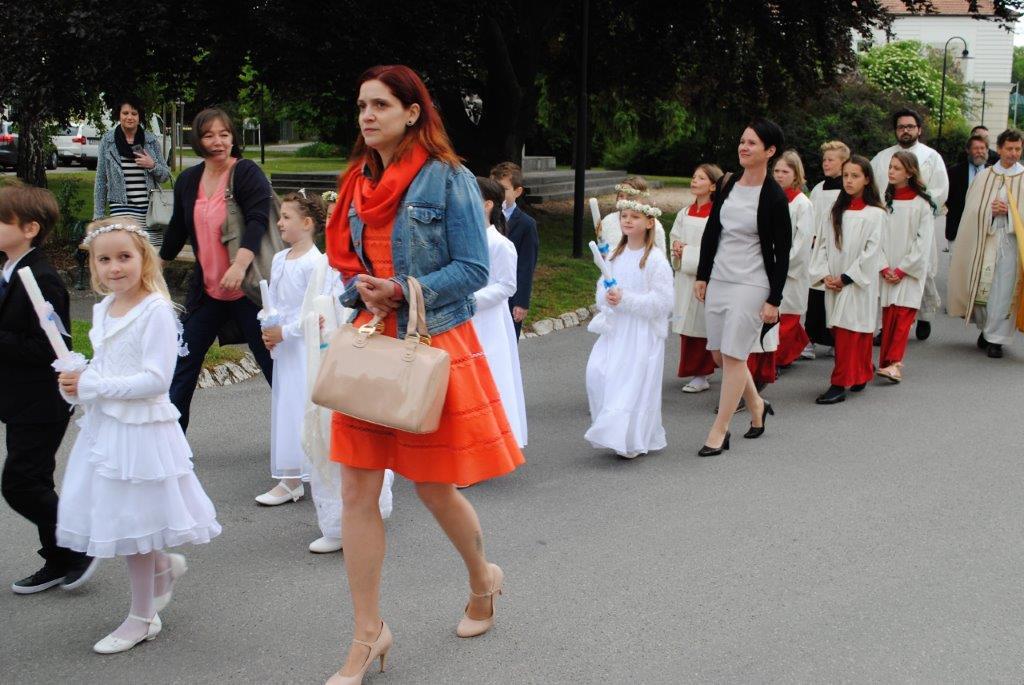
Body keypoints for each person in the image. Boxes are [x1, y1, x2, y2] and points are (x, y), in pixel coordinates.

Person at [324, 65, 524, 684]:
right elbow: (349, 264)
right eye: (362, 105)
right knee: (356, 493)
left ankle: (483, 579)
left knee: (435, 488)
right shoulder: (357, 181)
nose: (367, 115)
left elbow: (473, 269)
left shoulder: (449, 177)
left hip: (428, 341)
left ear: (412, 112)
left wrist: (403, 288)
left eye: (381, 105)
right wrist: (362, 289)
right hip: (370, 347)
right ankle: (368, 633)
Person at [56, 218, 221, 654]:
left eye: (124, 257)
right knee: (127, 519)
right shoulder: (103, 308)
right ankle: (161, 568)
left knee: (137, 526)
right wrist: (77, 382)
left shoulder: (157, 311)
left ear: (143, 259)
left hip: (143, 431)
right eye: (104, 259)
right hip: (108, 429)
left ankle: (142, 617)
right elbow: (105, 365)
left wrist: (93, 385)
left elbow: (155, 380)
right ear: (93, 264)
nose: (114, 267)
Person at [255, 190, 393, 551]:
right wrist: (288, 326)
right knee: (321, 432)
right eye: (332, 218)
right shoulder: (321, 263)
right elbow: (307, 309)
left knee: (354, 435)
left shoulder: (362, 262)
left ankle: (367, 508)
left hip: (351, 356)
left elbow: (365, 310)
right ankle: (334, 520)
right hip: (318, 355)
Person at [0, 185, 97, 594]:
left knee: (20, 484)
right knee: (35, 480)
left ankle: (79, 544)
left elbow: (50, 346)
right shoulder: (9, 268)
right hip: (18, 398)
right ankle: (58, 557)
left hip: (41, 400)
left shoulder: (42, 278)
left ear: (30, 229)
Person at [159, 108, 274, 431]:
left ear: (233, 137)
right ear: (198, 140)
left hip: (249, 291)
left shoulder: (246, 172)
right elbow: (177, 228)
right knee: (182, 366)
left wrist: (239, 265)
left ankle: (300, 444)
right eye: (209, 135)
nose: (218, 141)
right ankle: (170, 447)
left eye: (224, 134)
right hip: (207, 292)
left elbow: (258, 221)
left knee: (275, 368)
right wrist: (155, 267)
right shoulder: (189, 180)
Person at [694, 118, 791, 455]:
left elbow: (782, 252)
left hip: (752, 283)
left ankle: (719, 431)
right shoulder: (728, 184)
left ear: (770, 151)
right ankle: (757, 405)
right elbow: (712, 231)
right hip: (720, 278)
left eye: (752, 143)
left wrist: (774, 298)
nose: (744, 147)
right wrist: (703, 275)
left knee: (735, 355)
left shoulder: (774, 197)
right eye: (742, 141)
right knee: (720, 355)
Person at [585, 198, 673, 459]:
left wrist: (626, 299)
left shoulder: (655, 260)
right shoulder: (614, 255)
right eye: (624, 216)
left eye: (635, 217)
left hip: (641, 332)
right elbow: (602, 289)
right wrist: (608, 297)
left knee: (631, 384)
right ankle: (611, 430)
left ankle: (629, 438)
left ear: (649, 223)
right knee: (598, 373)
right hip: (616, 328)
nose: (627, 220)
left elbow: (663, 303)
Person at [809, 156, 885, 404]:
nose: (849, 181)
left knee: (850, 331)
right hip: (833, 279)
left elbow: (872, 252)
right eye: (846, 176)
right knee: (843, 329)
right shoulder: (835, 210)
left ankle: (839, 383)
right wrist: (824, 274)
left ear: (867, 179)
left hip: (856, 282)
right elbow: (821, 244)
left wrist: (847, 277)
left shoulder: (875, 214)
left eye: (855, 176)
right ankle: (861, 373)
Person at [870, 108, 949, 341]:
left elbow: (940, 189)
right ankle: (886, 327)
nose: (906, 130)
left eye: (910, 127)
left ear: (919, 129)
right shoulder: (882, 157)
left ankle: (924, 316)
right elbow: (872, 186)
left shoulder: (931, 157)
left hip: (916, 222)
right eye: (901, 127)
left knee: (922, 271)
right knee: (887, 273)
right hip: (889, 221)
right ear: (895, 130)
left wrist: (920, 208)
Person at [948, 128, 1024, 359]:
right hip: (985, 240)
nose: (1013, 153)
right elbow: (972, 210)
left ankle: (996, 340)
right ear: (999, 149)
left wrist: (1010, 213)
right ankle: (986, 329)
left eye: (1018, 149)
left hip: (1012, 244)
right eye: (1009, 149)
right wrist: (990, 212)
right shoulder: (985, 176)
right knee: (984, 288)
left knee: (1004, 290)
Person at [472, 177, 527, 447]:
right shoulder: (460, 240)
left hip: (488, 320)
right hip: (461, 320)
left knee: (489, 377)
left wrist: (471, 300)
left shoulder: (500, 244)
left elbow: (507, 285)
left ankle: (491, 441)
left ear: (487, 205)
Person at [877, 152, 937, 382]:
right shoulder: (885, 202)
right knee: (889, 316)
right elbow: (877, 237)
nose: (891, 172)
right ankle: (885, 363)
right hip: (888, 268)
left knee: (903, 317)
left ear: (910, 173)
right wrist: (883, 267)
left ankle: (895, 363)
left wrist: (902, 270)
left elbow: (923, 243)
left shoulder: (922, 204)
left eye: (897, 168)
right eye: (890, 167)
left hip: (909, 271)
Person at [670, 164, 722, 393]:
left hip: (705, 277)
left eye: (701, 178)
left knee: (702, 326)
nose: (694, 181)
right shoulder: (684, 212)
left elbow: (716, 247)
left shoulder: (717, 214)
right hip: (685, 278)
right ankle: (698, 370)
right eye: (693, 177)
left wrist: (688, 253)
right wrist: (676, 247)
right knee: (687, 325)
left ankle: (702, 373)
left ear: (713, 186)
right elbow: (675, 235)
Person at [93, 97, 171, 245]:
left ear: (140, 116)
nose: (129, 117)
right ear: (119, 115)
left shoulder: (150, 140)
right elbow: (101, 179)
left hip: (149, 211)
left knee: (149, 252)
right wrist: (98, 215)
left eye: (134, 114)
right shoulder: (108, 141)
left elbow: (165, 176)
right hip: (120, 209)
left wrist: (152, 165)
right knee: (125, 249)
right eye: (125, 113)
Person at [806, 140, 850, 357]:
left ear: (843, 163)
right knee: (815, 294)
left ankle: (836, 340)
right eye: (824, 160)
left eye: (831, 160)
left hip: (838, 247)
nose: (826, 163)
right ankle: (810, 339)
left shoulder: (847, 189)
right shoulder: (818, 188)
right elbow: (811, 215)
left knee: (835, 294)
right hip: (817, 247)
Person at [773, 150, 815, 368]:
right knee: (774, 315)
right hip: (770, 265)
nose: (779, 175)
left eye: (785, 172)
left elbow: (802, 242)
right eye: (777, 171)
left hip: (790, 270)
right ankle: (799, 346)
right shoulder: (771, 199)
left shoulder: (802, 204)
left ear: (796, 174)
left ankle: (777, 361)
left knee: (787, 317)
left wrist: (782, 264)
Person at [490, 162, 539, 339]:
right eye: (494, 188)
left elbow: (526, 266)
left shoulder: (527, 224)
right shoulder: (486, 217)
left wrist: (521, 302)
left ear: (517, 191)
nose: (498, 193)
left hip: (510, 297)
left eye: (503, 189)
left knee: (506, 341)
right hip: (487, 291)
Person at [600, 176, 668, 254]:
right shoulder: (608, 221)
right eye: (621, 196)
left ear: (642, 198)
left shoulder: (654, 226)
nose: (624, 200)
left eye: (630, 196)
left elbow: (661, 255)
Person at [946, 135, 992, 243]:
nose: (979, 151)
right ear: (968, 150)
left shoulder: (994, 172)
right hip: (958, 228)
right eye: (975, 148)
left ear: (987, 150)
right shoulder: (954, 172)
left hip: (986, 229)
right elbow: (948, 198)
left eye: (982, 148)